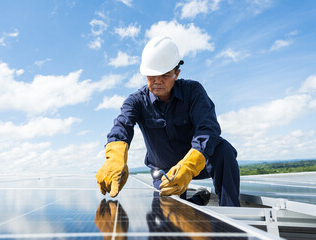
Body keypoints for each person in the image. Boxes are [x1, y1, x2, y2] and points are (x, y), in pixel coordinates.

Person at [96, 36, 240, 207]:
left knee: (224, 150)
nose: (157, 81)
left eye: (164, 75)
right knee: (170, 216)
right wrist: (115, 157)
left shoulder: (193, 91)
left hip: (196, 165)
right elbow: (122, 125)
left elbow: (208, 128)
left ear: (176, 74)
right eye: (152, 75)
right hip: (163, 171)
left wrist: (188, 166)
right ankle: (198, 199)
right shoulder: (135, 101)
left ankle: (231, 213)